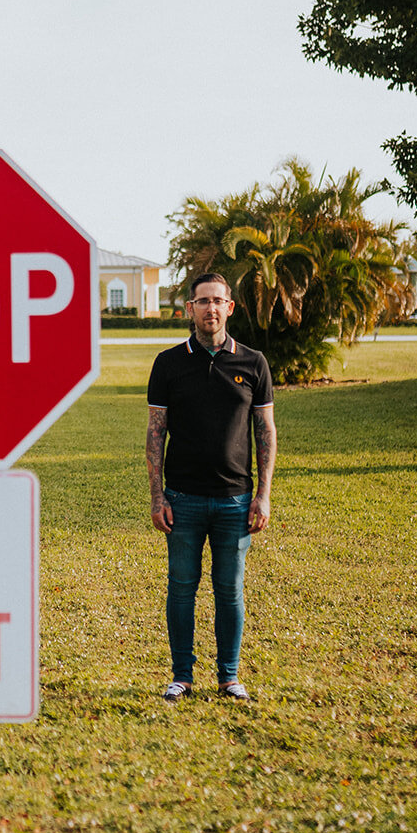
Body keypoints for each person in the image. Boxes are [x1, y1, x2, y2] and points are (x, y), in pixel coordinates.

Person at [145, 272, 276, 702]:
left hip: (235, 500)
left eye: (218, 301)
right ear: (189, 309)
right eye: (202, 301)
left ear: (230, 307)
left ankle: (229, 677)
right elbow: (155, 433)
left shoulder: (253, 362)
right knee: (181, 588)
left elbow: (266, 431)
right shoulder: (168, 364)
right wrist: (157, 495)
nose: (210, 309)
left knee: (229, 589)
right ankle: (182, 674)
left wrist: (263, 495)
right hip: (181, 499)